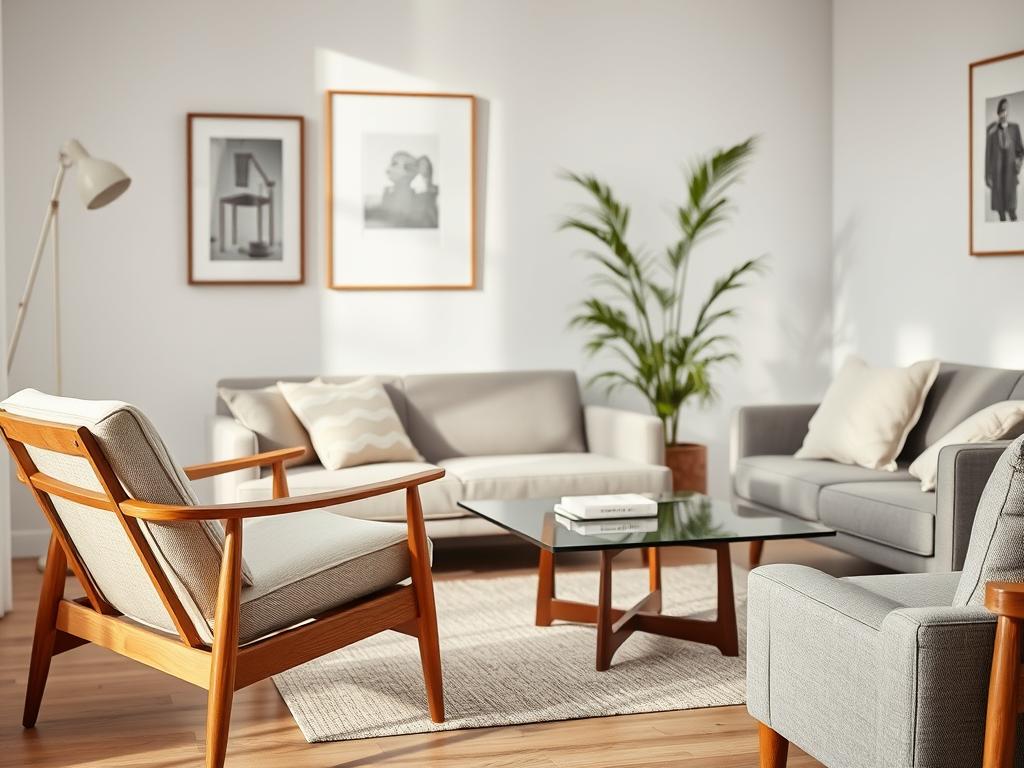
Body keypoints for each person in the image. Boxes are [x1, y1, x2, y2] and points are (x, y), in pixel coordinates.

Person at [986, 97, 1024, 222]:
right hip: (997, 175)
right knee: (1001, 212)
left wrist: (1017, 164)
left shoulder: (1014, 128)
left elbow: (1020, 151)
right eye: (1002, 110)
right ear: (998, 112)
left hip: (1010, 175)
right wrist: (988, 175)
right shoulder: (991, 130)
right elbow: (988, 154)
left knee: (1012, 211)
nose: (1005, 112)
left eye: (1007, 109)